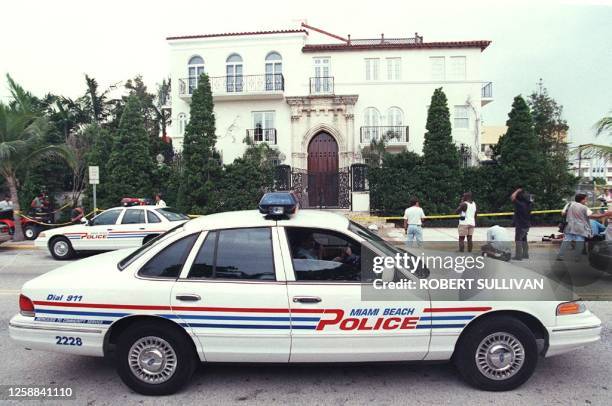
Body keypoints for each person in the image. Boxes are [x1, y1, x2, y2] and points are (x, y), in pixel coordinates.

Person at [557, 193, 609, 261]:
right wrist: (605, 214)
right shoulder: (584, 207)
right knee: (579, 241)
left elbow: (563, 213)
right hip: (580, 228)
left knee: (566, 241)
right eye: (585, 199)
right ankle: (577, 258)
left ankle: (560, 256)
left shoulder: (569, 204)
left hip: (569, 226)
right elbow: (593, 216)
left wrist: (571, 215)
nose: (586, 201)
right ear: (582, 200)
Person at [511, 188, 532, 260]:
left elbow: (512, 198)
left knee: (518, 240)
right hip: (527, 225)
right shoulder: (529, 205)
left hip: (520, 225)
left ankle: (518, 256)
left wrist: (517, 191)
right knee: (524, 239)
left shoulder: (520, 205)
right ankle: (525, 254)